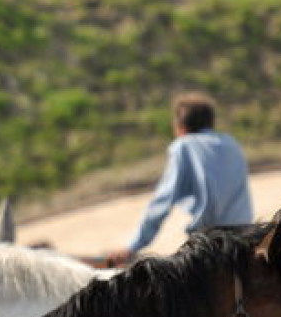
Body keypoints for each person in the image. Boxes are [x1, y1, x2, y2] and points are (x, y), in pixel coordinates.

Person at [107, 92, 253, 266]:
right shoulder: (231, 143)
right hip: (245, 240)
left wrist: (132, 247)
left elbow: (162, 202)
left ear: (180, 127)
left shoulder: (184, 147)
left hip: (211, 245)